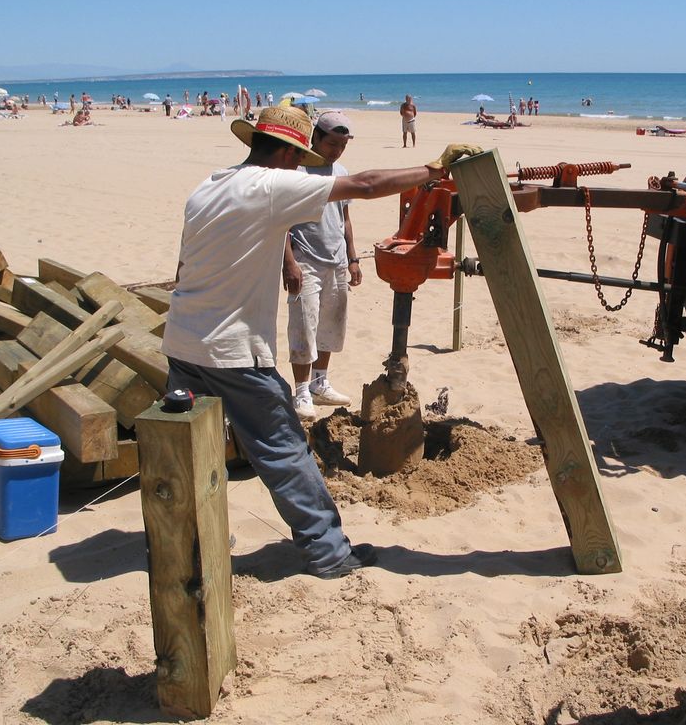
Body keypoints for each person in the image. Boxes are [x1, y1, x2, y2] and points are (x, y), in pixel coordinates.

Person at [161, 105, 480, 578]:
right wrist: (435, 169)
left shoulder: (207, 187)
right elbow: (367, 186)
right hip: (233, 353)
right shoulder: (271, 186)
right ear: (289, 155)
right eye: (300, 159)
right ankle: (329, 553)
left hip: (182, 341)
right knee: (284, 450)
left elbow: (182, 271)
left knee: (190, 449)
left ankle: (186, 539)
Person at [282, 111, 358, 421]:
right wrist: (288, 262)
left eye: (342, 144)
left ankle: (319, 382)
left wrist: (353, 259)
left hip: (336, 260)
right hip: (305, 260)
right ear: (316, 138)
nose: (336, 150)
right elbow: (281, 223)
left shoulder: (340, 171)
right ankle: (301, 391)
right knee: (303, 326)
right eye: (331, 143)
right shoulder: (297, 171)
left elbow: (345, 218)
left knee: (330, 324)